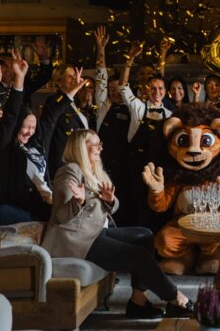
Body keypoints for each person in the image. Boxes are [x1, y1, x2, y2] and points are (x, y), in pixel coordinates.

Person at [41, 129, 194, 319]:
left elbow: (112, 207)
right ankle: (175, 297)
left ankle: (138, 302)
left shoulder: (94, 171)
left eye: (100, 144)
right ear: (81, 147)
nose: (100, 148)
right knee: (138, 255)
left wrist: (110, 200)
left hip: (95, 232)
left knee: (144, 235)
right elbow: (61, 216)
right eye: (95, 145)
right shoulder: (69, 172)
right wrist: (78, 201)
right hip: (77, 240)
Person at [0, 51, 86, 222]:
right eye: (26, 127)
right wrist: (19, 78)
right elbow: (11, 115)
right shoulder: (3, 147)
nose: (30, 132)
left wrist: (73, 90)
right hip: (26, 208)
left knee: (90, 211)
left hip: (50, 204)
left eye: (33, 127)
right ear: (16, 127)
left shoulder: (36, 144)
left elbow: (52, 115)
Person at [119, 40, 172, 229]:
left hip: (161, 166)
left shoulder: (170, 115)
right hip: (138, 165)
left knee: (160, 207)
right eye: (153, 88)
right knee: (141, 207)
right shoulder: (138, 108)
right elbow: (123, 86)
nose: (157, 92)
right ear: (147, 90)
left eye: (160, 88)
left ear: (165, 91)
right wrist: (130, 59)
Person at [93, 26, 132, 226]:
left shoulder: (133, 108)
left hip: (125, 166)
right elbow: (101, 77)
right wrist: (101, 49)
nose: (115, 92)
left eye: (118, 89)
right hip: (103, 165)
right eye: (111, 89)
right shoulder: (103, 107)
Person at [45, 63, 90, 176]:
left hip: (79, 159)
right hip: (63, 163)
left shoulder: (77, 102)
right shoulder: (53, 101)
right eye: (70, 76)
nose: (74, 79)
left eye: (75, 76)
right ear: (59, 82)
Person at [0, 35, 53, 106]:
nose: (8, 69)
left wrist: (43, 57)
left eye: (12, 66)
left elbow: (45, 76)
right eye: (4, 66)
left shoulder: (25, 85)